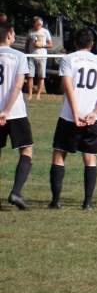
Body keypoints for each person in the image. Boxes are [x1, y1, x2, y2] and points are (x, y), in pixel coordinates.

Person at [49, 28, 97, 209]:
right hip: (92, 118)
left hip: (70, 116)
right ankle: (87, 203)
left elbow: (68, 87)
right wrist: (95, 112)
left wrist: (75, 112)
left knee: (59, 154)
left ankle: (55, 201)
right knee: (90, 158)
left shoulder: (68, 59)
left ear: (75, 43)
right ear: (92, 44)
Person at [0, 22, 33, 210]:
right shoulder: (18, 56)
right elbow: (18, 85)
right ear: (10, 35)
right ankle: (16, 192)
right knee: (26, 150)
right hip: (14, 112)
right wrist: (6, 110)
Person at [26, 16, 53, 100]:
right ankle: (30, 95)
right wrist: (27, 52)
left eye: (35, 23)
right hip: (31, 56)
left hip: (42, 56)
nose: (34, 25)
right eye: (33, 23)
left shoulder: (45, 32)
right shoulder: (30, 31)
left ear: (40, 24)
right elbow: (27, 43)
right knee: (30, 75)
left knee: (41, 76)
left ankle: (38, 95)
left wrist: (41, 45)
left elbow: (50, 44)